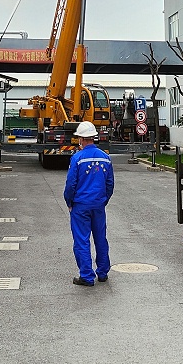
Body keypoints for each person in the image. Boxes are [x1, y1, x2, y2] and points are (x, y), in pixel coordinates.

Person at [63, 121, 114, 287]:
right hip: (98, 205)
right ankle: (103, 272)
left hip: (80, 206)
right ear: (93, 137)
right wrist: (103, 200)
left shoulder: (77, 158)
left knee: (82, 240)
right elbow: (110, 184)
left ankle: (86, 275)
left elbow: (71, 184)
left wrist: (69, 201)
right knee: (100, 238)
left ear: (81, 139)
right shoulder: (105, 157)